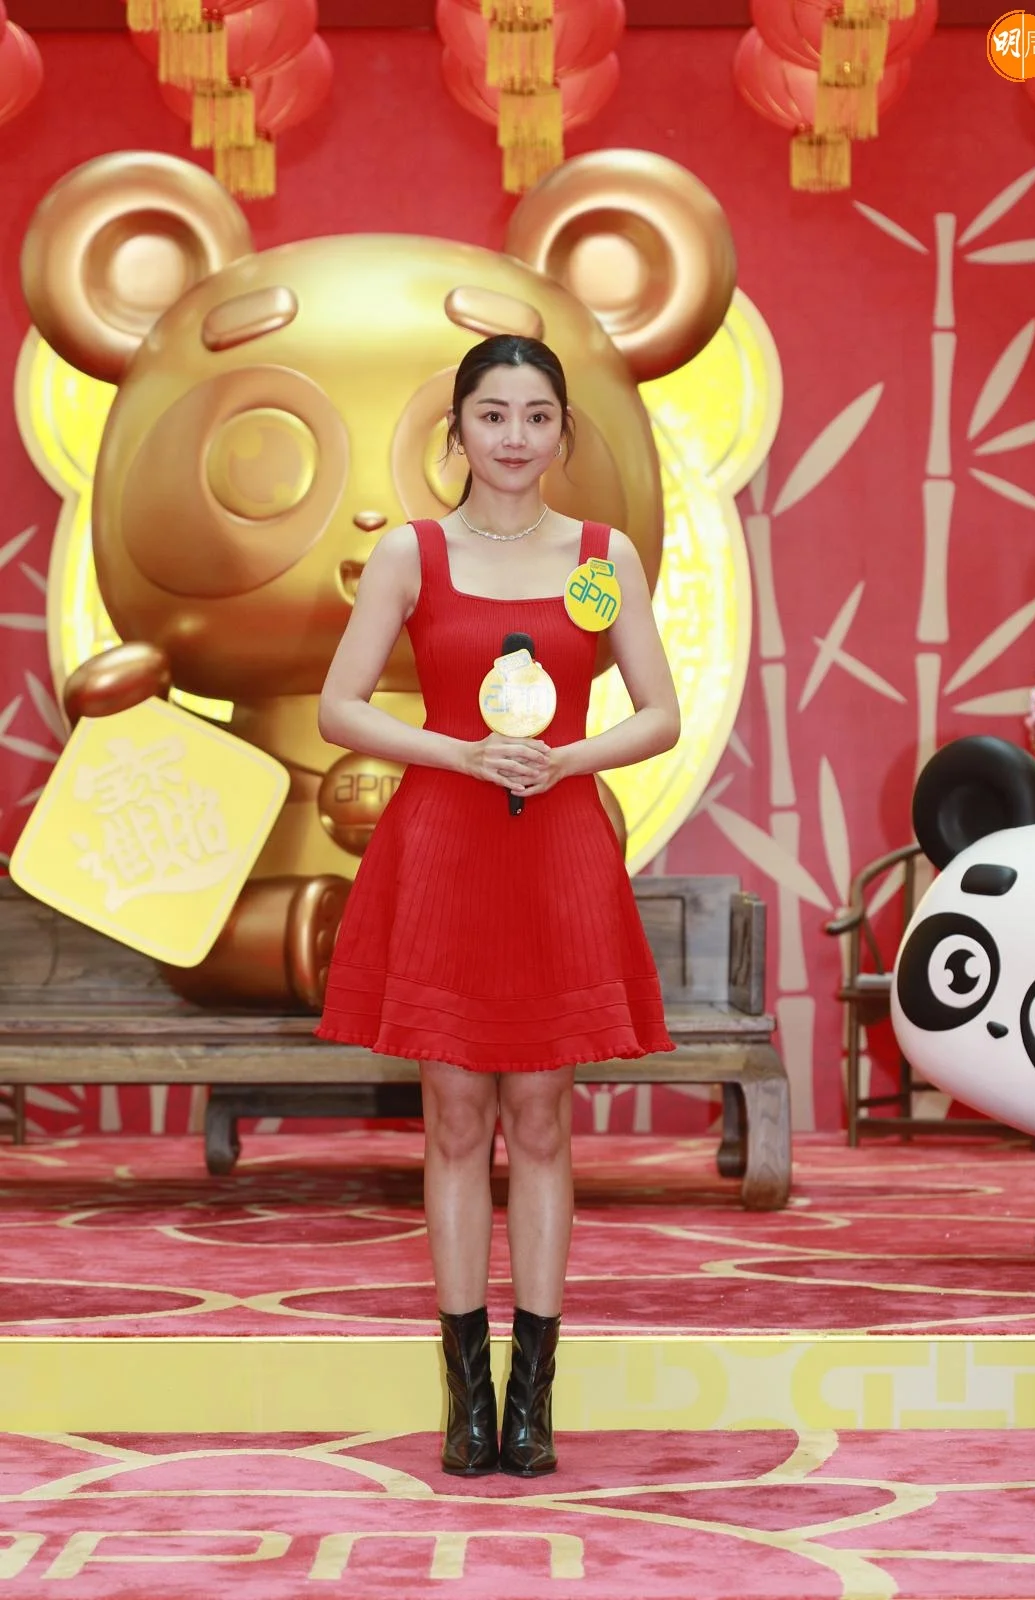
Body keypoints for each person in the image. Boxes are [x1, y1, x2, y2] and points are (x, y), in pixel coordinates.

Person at [316, 334, 680, 1479]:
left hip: (555, 847)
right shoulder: (411, 553)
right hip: (445, 844)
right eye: (491, 414)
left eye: (535, 416)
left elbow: (658, 712)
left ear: (563, 431)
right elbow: (338, 707)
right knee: (454, 1118)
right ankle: (465, 1395)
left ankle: (534, 1398)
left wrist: (567, 758)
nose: (513, 437)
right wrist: (459, 753)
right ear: (458, 430)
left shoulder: (601, 556)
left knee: (543, 1119)